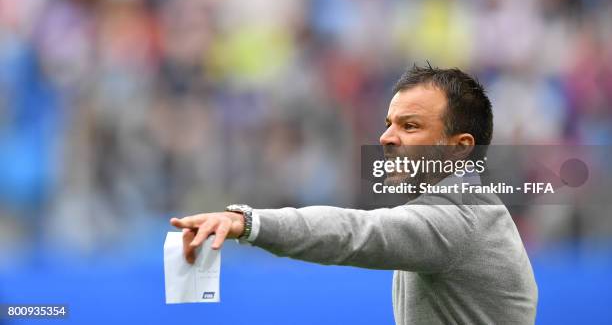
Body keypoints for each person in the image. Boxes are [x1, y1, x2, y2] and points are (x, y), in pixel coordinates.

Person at [170, 64, 538, 324]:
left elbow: (353, 231)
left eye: (410, 126)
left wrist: (248, 222)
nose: (386, 137)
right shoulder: (465, 210)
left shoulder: (458, 220)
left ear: (460, 148)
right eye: (389, 124)